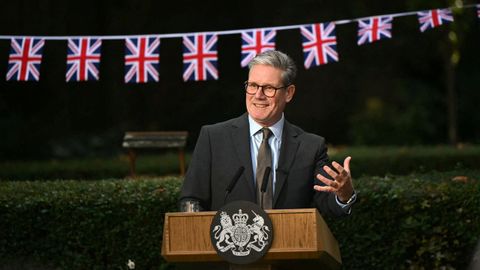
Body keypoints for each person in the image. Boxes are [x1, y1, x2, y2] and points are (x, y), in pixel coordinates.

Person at [179, 50, 356, 217]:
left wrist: (344, 195)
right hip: (227, 248)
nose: (258, 95)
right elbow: (191, 199)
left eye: (269, 88)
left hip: (290, 245)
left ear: (289, 93)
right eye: (253, 85)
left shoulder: (310, 147)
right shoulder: (213, 138)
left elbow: (327, 203)